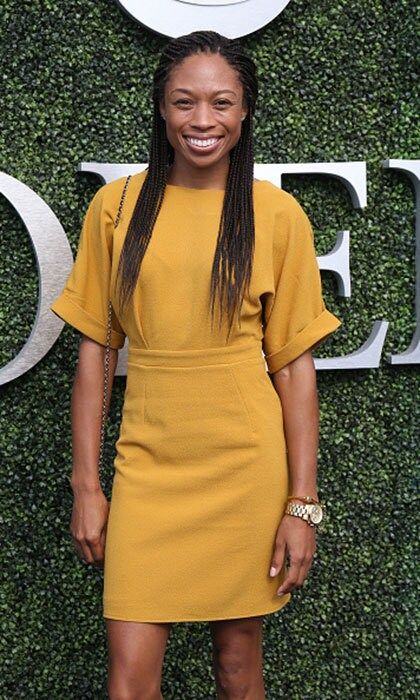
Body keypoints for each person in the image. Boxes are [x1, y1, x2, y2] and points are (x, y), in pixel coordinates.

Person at [50, 29, 341, 700]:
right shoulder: (117, 207)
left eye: (221, 103)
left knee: (239, 671)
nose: (203, 121)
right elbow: (95, 352)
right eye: (185, 102)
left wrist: (304, 505)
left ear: (245, 112)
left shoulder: (277, 216)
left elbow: (294, 368)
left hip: (245, 468)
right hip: (149, 466)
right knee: (129, 681)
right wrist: (86, 487)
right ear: (160, 107)